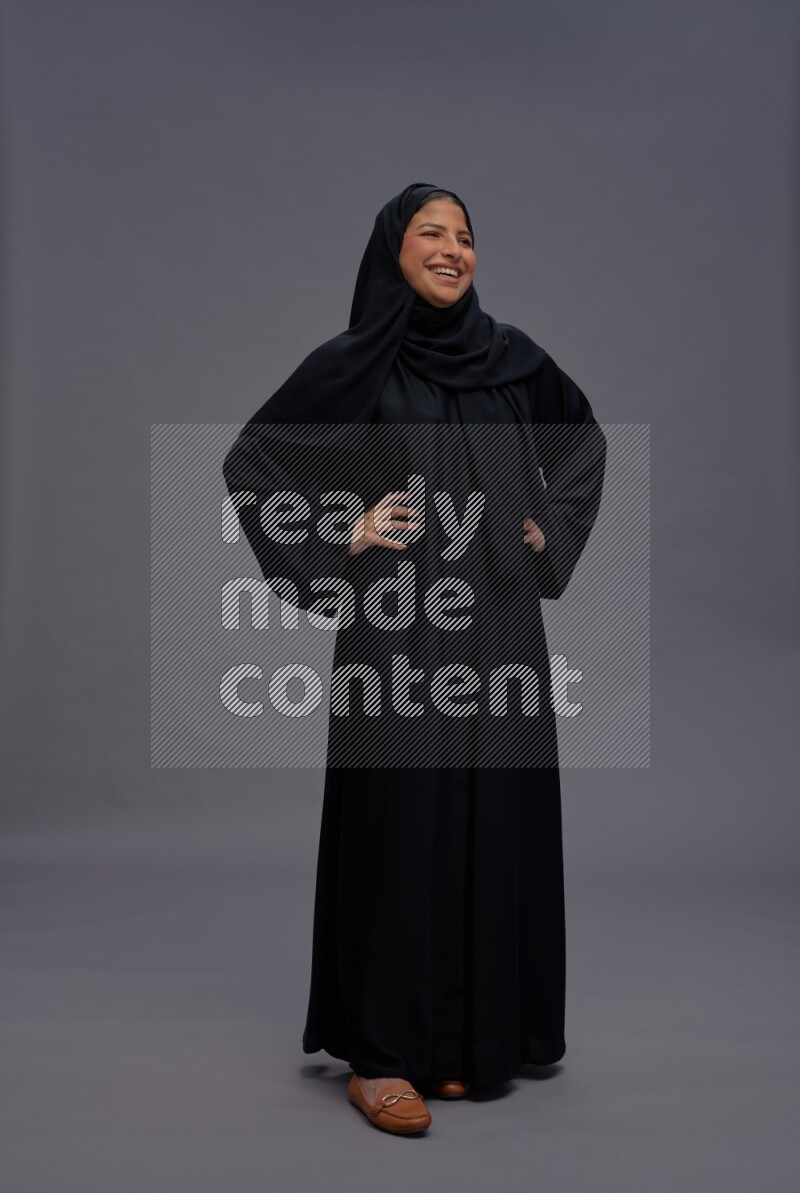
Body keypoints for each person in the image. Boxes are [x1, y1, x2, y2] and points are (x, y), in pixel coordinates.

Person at [223, 182, 606, 1135]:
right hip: (399, 630)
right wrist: (339, 532)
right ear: (392, 252)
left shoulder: (515, 363)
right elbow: (255, 463)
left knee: (493, 815)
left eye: (466, 236)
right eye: (431, 233)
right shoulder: (358, 365)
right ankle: (384, 1055)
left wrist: (546, 529)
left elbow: (584, 444)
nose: (453, 248)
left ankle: (469, 1044)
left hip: (504, 631)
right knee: (402, 825)